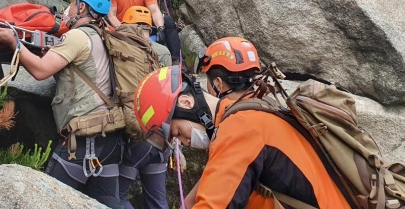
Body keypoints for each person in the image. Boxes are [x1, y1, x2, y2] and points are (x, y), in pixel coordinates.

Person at [134, 37, 351, 208]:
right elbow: (218, 184)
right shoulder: (258, 108)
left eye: (177, 132)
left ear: (185, 102)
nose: (183, 141)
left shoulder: (239, 127)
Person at [0, 0, 123, 208]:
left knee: (48, 200)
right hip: (110, 137)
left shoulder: (78, 37)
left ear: (81, 7)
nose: (67, 9)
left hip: (84, 136)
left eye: (72, 3)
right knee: (109, 203)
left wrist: (15, 43)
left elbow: (40, 71)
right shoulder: (104, 36)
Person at [117, 6, 170, 209]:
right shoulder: (163, 52)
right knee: (158, 202)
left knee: (116, 196)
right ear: (149, 27)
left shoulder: (125, 47)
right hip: (162, 138)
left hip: (139, 138)